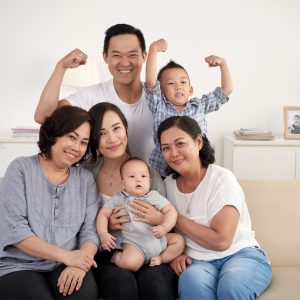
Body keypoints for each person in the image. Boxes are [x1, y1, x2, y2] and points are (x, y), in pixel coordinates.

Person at [158, 115, 272, 300]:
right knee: (191, 283)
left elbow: (221, 241)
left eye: (180, 143)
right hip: (197, 262)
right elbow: (165, 233)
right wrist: (175, 255)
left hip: (239, 255)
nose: (173, 153)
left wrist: (174, 217)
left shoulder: (222, 180)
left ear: (198, 142)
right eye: (166, 148)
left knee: (231, 287)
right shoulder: (167, 186)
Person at [0, 106, 100, 300]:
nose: (76, 147)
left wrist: (81, 264)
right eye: (71, 137)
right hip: (18, 264)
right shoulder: (20, 169)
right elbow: (15, 230)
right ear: (54, 133)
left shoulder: (85, 180)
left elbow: (90, 232)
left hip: (68, 263)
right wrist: (66, 256)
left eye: (83, 142)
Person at [82, 102, 179, 300]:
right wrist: (105, 226)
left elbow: (169, 221)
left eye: (117, 128)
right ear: (93, 140)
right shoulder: (86, 175)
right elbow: (79, 225)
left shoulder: (148, 174)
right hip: (110, 252)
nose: (112, 138)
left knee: (157, 289)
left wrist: (159, 218)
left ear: (126, 129)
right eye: (102, 133)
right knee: (122, 289)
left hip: (151, 248)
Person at [34, 23, 154, 162]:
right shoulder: (91, 96)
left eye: (132, 55)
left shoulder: (159, 97)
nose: (125, 63)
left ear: (144, 56)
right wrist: (61, 67)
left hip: (150, 180)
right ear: (105, 57)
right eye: (116, 55)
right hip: (98, 180)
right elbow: (43, 117)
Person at [143, 39, 233, 176]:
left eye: (183, 82)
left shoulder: (200, 105)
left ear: (190, 89)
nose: (178, 86)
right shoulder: (159, 105)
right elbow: (150, 81)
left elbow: (226, 90)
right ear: (160, 91)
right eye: (171, 83)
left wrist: (223, 64)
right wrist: (153, 49)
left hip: (194, 167)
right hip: (162, 170)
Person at [97, 157, 185, 271]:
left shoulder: (153, 196)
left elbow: (171, 211)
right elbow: (103, 214)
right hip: (135, 244)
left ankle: (160, 259)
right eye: (132, 176)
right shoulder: (118, 198)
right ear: (123, 184)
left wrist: (164, 227)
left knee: (179, 241)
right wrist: (103, 233)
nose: (138, 179)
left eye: (143, 176)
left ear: (149, 183)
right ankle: (115, 257)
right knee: (130, 264)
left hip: (159, 239)